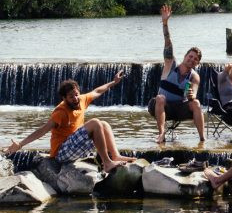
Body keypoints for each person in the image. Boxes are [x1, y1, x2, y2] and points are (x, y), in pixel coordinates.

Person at [5, 72, 135, 171]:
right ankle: (107, 163)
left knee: (104, 124)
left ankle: (115, 155)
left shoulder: (82, 99)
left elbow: (97, 91)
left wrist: (114, 82)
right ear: (64, 98)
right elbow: (43, 130)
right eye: (71, 97)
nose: (75, 98)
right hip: (62, 153)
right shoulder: (60, 112)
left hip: (76, 147)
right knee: (95, 122)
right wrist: (21, 144)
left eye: (76, 94)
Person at [147, 5, 205, 144]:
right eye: (190, 56)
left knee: (196, 103)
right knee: (160, 97)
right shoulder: (170, 63)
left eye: (195, 59)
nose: (192, 59)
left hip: (180, 108)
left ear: (197, 63)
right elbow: (167, 42)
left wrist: (191, 95)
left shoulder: (194, 76)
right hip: (161, 105)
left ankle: (202, 139)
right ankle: (161, 134)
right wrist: (165, 23)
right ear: (185, 56)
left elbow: (193, 95)